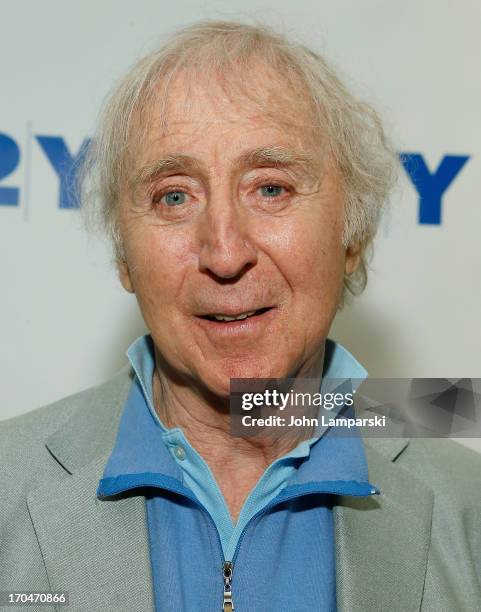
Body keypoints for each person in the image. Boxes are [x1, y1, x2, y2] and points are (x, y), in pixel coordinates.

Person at [1, 20, 480, 612]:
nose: (226, 254)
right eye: (174, 196)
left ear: (351, 236)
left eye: (271, 188)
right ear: (124, 255)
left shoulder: (469, 505)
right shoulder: (7, 484)